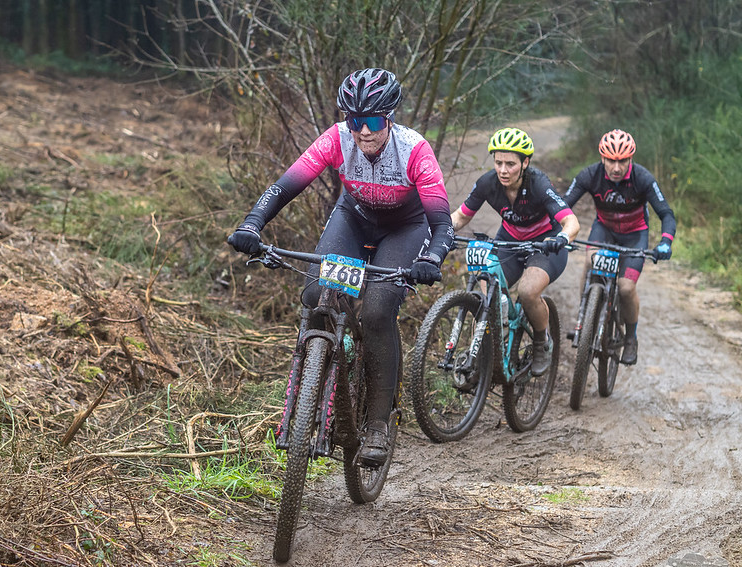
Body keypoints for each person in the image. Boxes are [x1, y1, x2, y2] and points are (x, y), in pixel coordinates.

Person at [228, 68, 454, 466]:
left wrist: (431, 259)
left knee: (378, 310)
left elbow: (441, 222)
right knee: (317, 295)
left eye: (372, 121)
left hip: (405, 227)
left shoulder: (414, 150)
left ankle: (379, 424)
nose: (362, 132)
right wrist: (251, 223)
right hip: (354, 217)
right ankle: (323, 373)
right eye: (354, 121)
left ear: (390, 118)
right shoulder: (336, 138)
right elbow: (285, 186)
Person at [450, 127, 580, 377]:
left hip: (545, 245)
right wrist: (440, 231)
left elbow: (571, 222)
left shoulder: (539, 184)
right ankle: (495, 350)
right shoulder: (488, 183)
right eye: (498, 162)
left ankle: (542, 343)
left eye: (510, 164)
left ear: (525, 163)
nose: (503, 170)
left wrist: (562, 238)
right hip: (510, 241)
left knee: (528, 292)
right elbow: (460, 216)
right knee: (489, 292)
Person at [563, 129, 676, 365]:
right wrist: (556, 234)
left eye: (622, 161)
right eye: (611, 161)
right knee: (589, 261)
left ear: (630, 159)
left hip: (635, 235)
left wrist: (665, 241)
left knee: (625, 288)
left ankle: (631, 338)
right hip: (604, 229)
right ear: (602, 158)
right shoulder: (590, 175)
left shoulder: (643, 178)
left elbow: (666, 213)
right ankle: (583, 321)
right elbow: (563, 206)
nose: (616, 167)